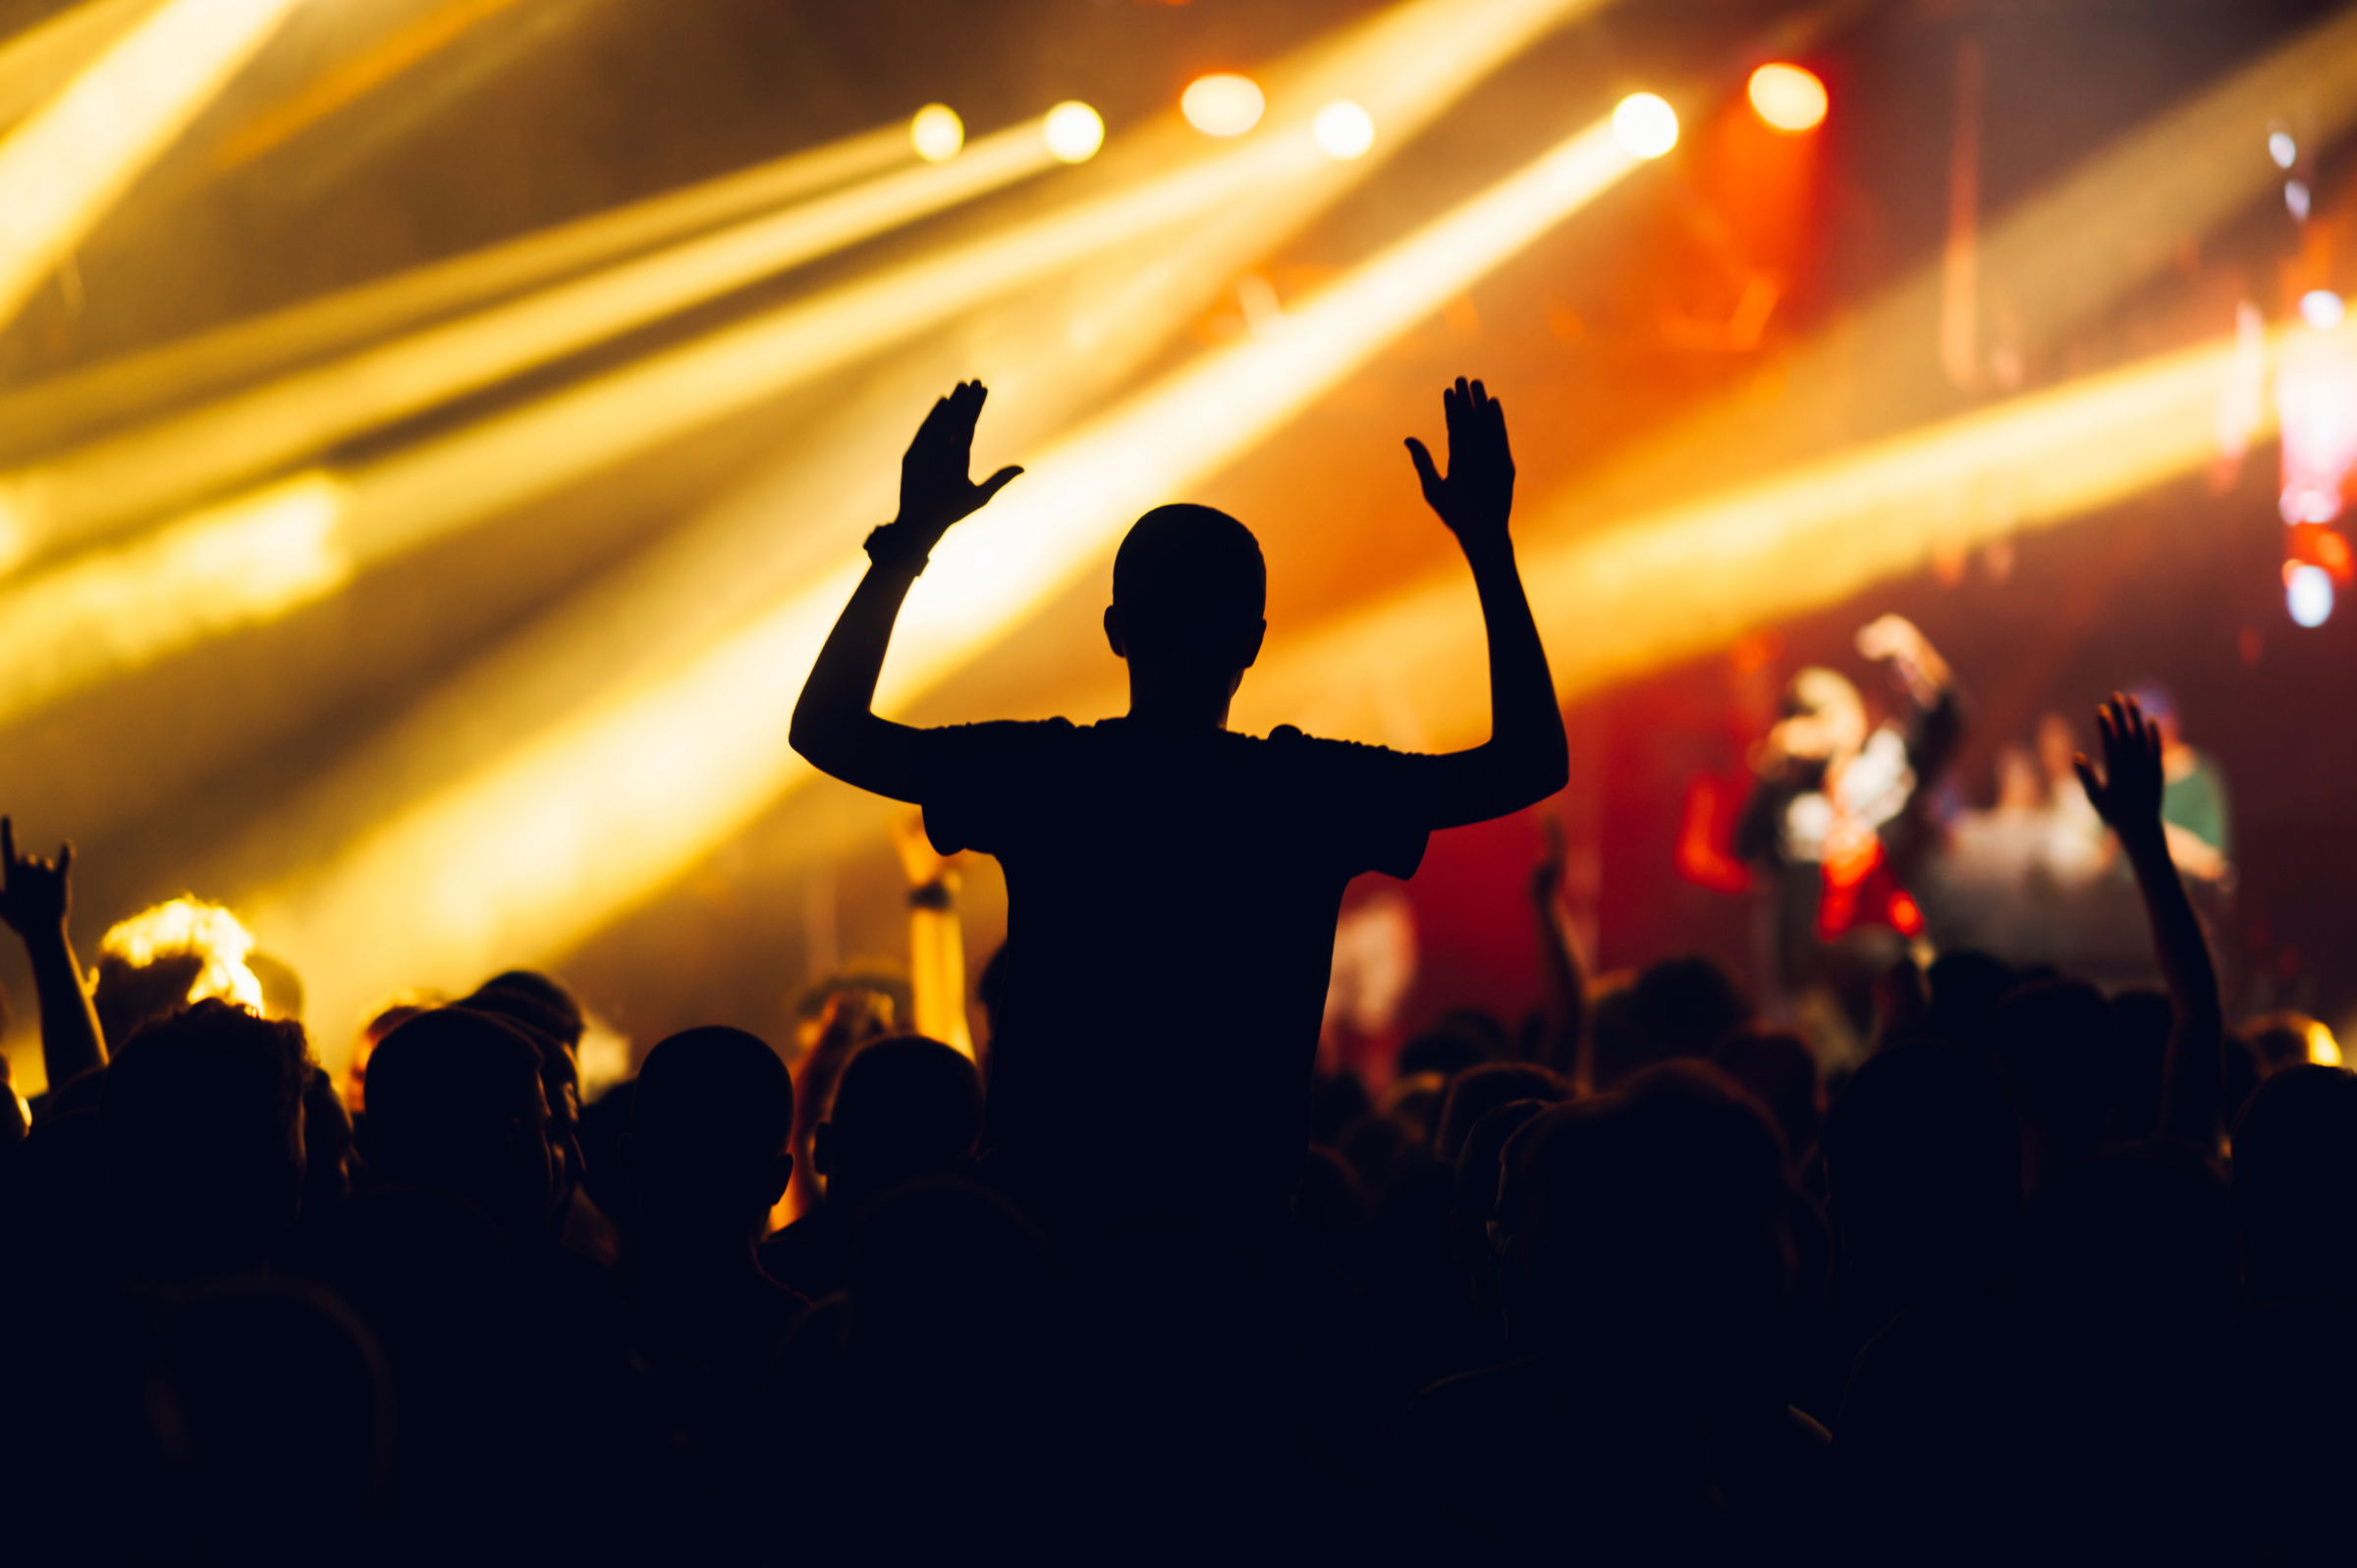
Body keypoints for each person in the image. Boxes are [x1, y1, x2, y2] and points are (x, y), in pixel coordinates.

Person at [792, 378, 1567, 1237]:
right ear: (1253, 641)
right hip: (1230, 1247)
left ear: (1115, 629)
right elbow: (1528, 763)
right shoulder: (1303, 793)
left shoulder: (1048, 773)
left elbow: (827, 730)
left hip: (1051, 1236)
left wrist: (906, 545)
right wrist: (1488, 545)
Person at [1735, 615, 1960, 1038]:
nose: (1829, 730)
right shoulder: (1791, 799)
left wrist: (1913, 654)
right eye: (1811, 720)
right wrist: (1774, 768)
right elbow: (1747, 848)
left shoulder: (1886, 763)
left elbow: (1945, 721)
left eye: (1833, 715)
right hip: (1818, 982)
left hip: (1901, 959)